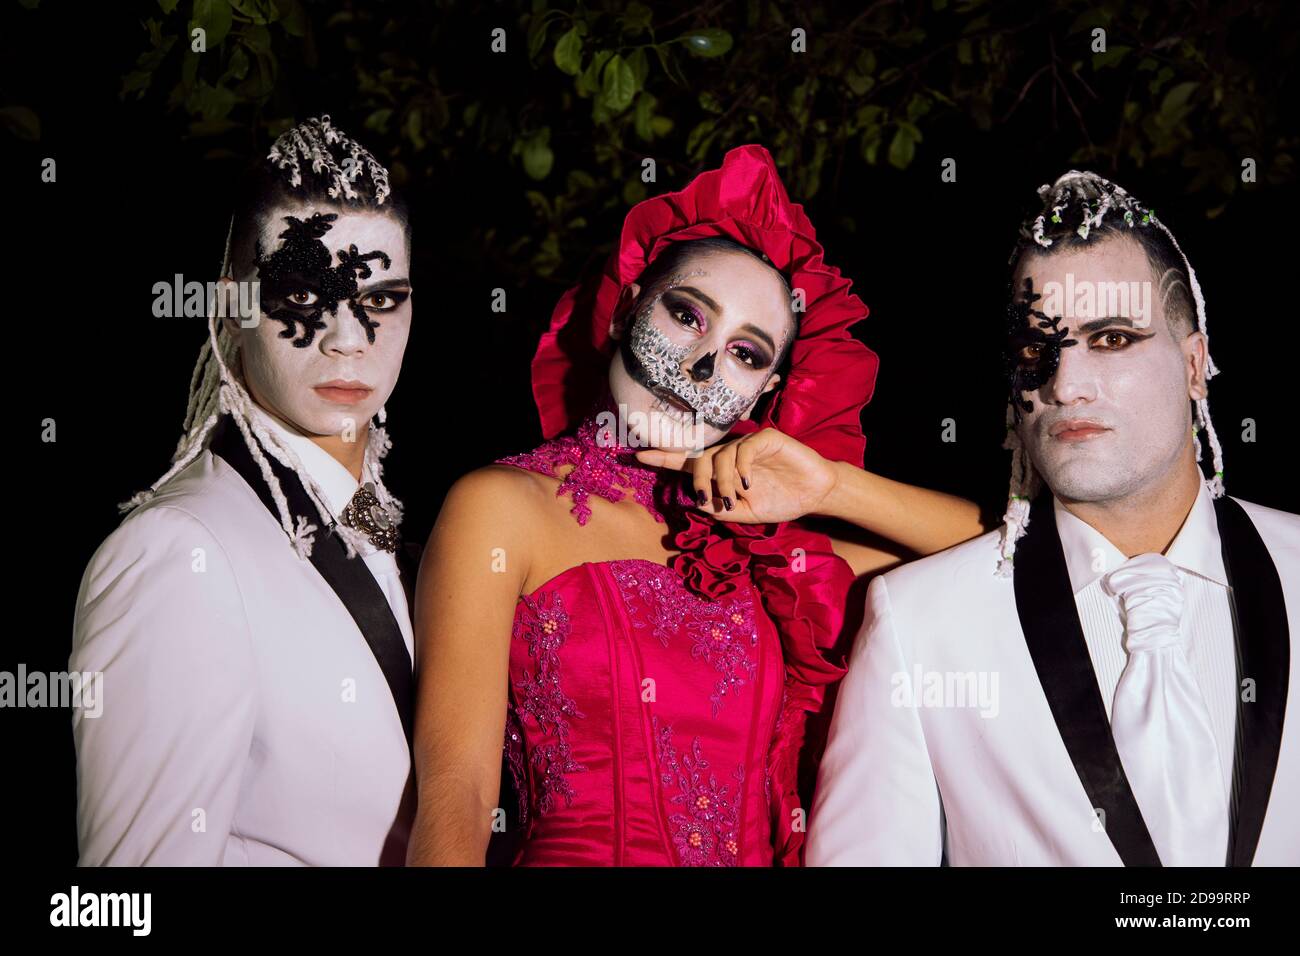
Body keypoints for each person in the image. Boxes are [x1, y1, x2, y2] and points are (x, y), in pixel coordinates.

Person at [407, 144, 985, 866]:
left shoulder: (772, 556)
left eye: (747, 354)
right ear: (624, 311)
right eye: (687, 315)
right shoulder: (501, 507)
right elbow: (456, 792)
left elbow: (1007, 552)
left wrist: (832, 487)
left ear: (767, 395)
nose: (702, 366)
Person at [806, 170, 1299, 866]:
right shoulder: (918, 625)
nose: (1065, 384)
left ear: (1195, 366)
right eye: (1038, 348)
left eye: (1113, 339)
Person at [70, 115, 418, 865]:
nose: (348, 339)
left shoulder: (383, 522)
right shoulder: (176, 553)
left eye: (382, 300)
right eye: (302, 298)